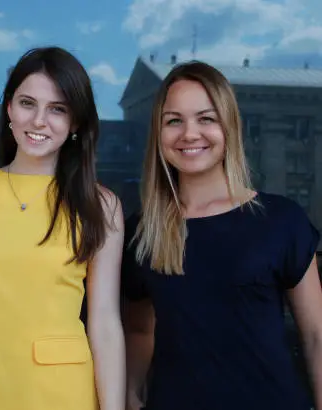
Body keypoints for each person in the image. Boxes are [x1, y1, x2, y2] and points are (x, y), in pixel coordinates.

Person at [0, 47, 126, 410]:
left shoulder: (101, 205)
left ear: (75, 122)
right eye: (28, 103)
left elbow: (105, 324)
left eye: (57, 109)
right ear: (9, 108)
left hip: (62, 393)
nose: (39, 120)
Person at [121, 60, 322, 410]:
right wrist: (131, 398)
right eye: (174, 121)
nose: (189, 133)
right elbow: (139, 331)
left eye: (206, 118)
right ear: (159, 133)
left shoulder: (281, 220)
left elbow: (317, 338)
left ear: (229, 126)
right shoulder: (143, 230)